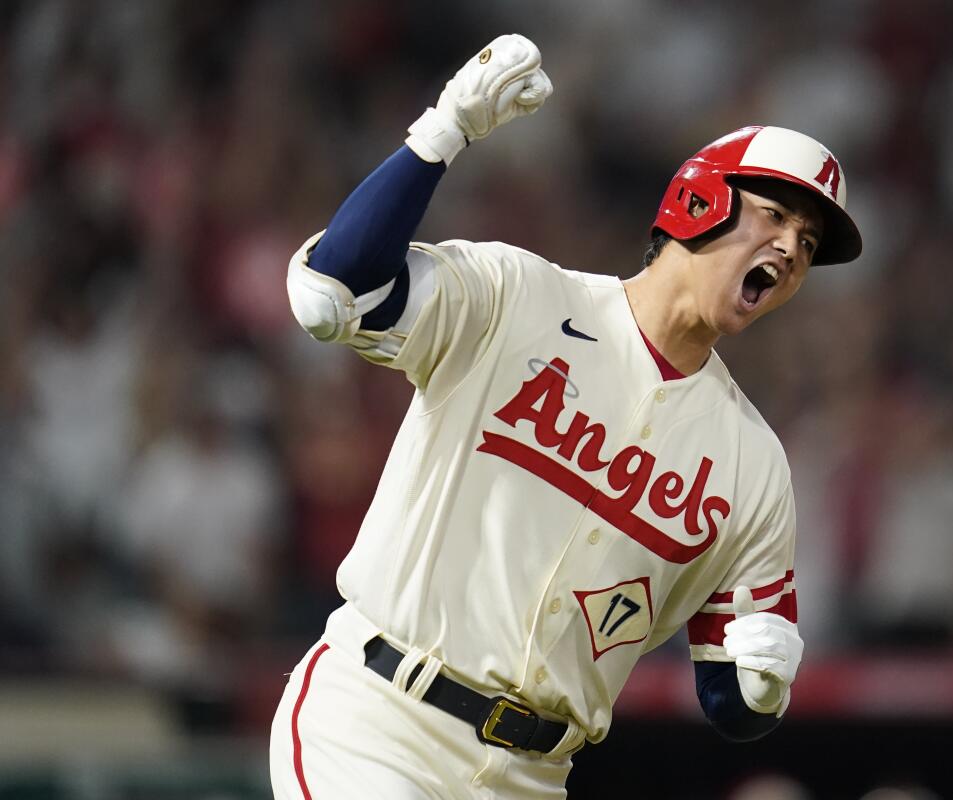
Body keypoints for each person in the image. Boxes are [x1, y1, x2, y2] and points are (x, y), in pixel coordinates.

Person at [269, 33, 862, 800]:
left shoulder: (752, 461)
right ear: (697, 199)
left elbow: (733, 696)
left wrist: (760, 680)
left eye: (808, 244)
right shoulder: (521, 297)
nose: (789, 247)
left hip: (534, 776)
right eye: (776, 214)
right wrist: (444, 131)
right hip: (379, 725)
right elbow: (334, 291)